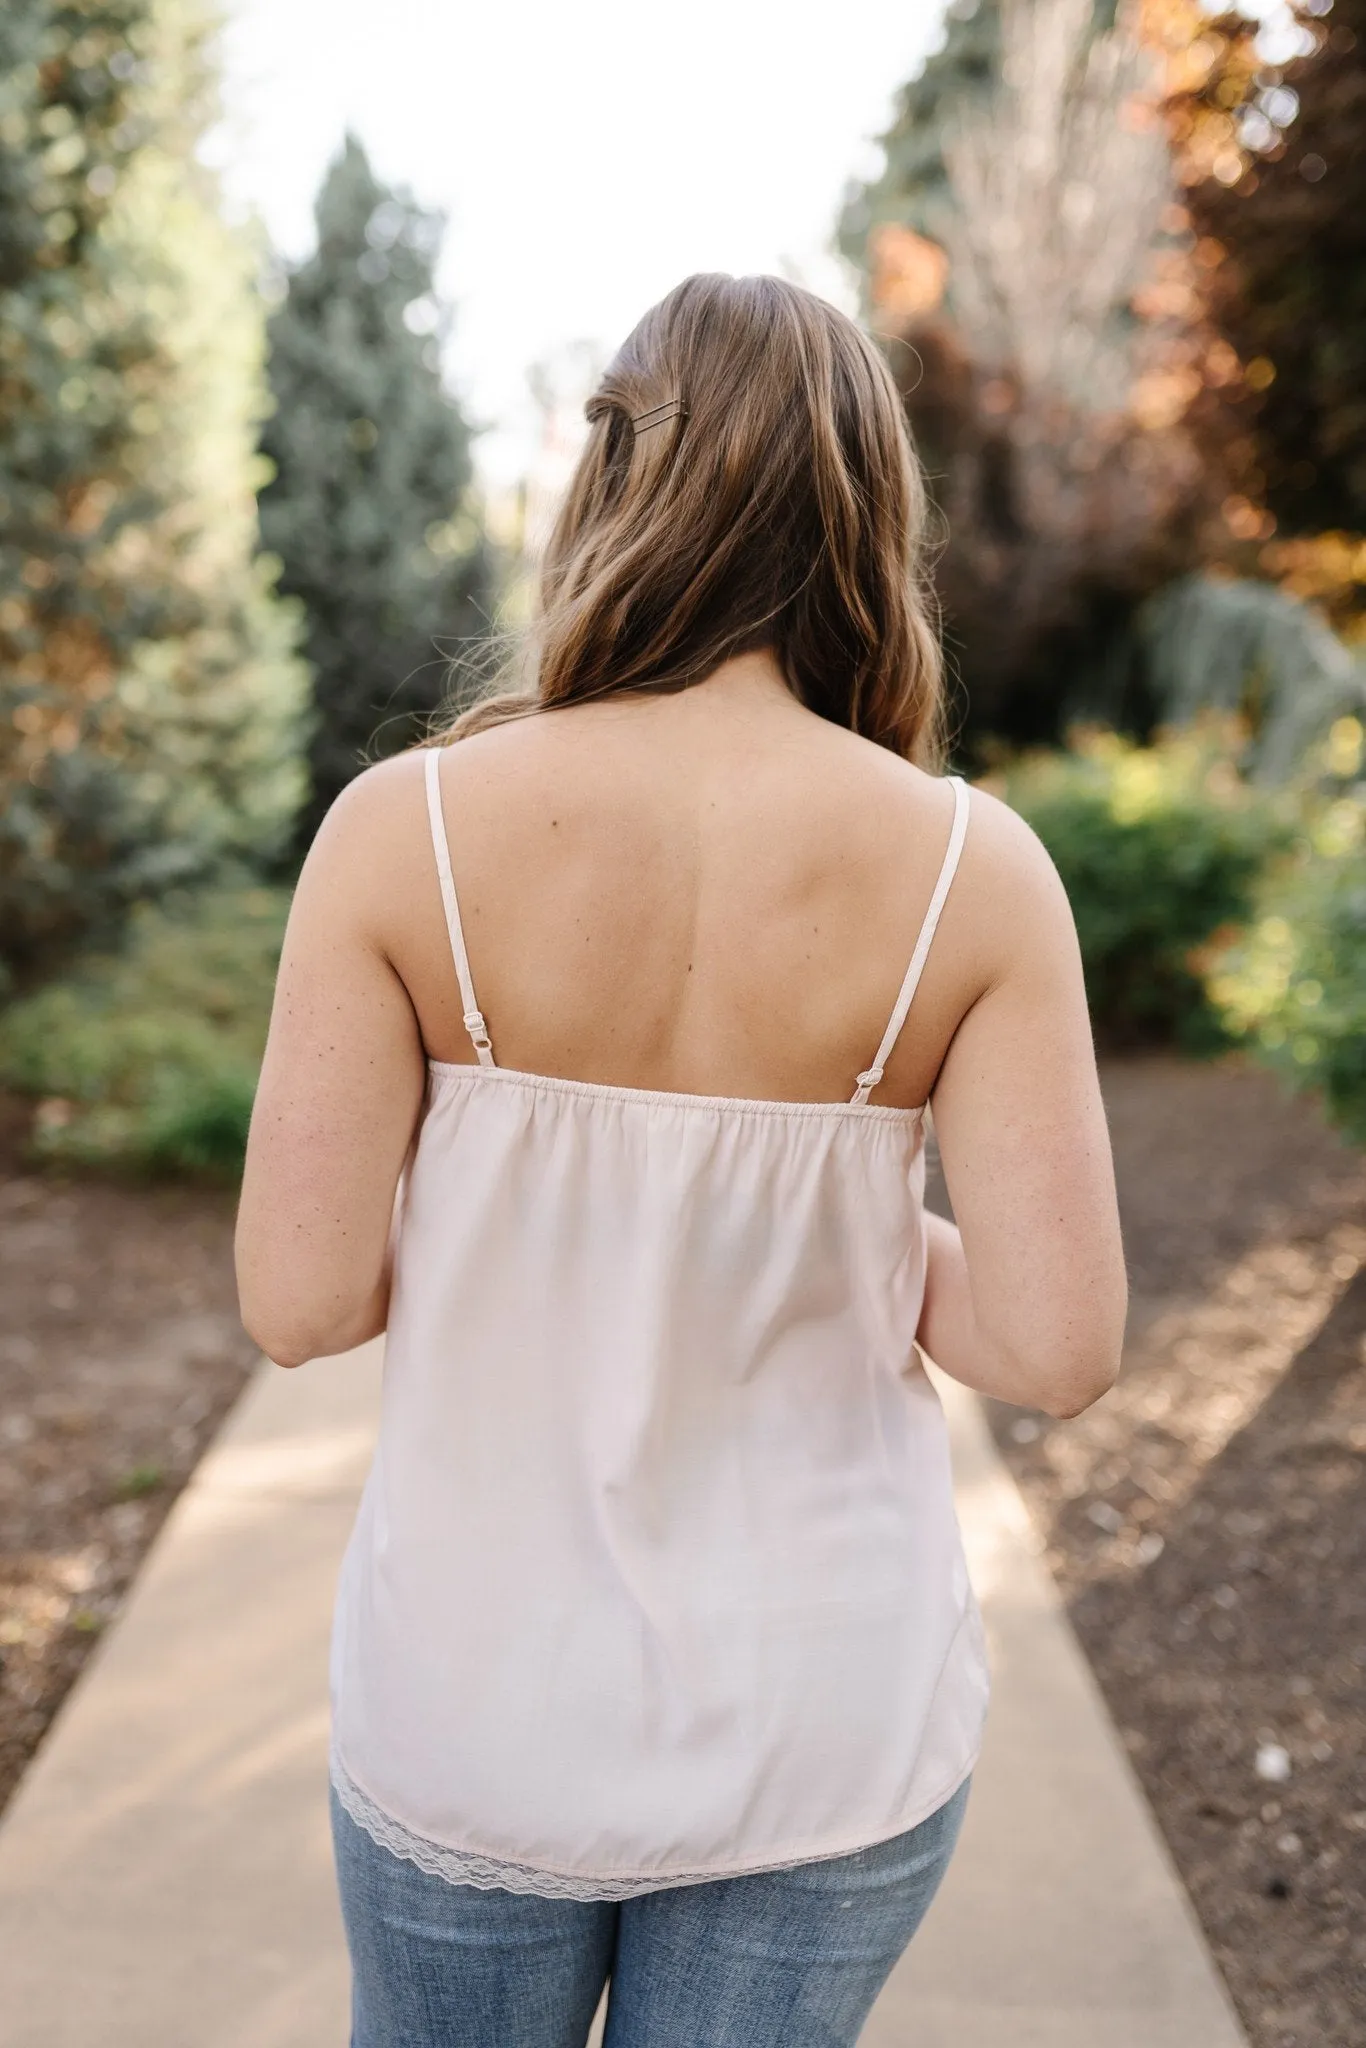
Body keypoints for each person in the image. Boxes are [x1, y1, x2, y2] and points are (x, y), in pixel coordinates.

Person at [235, 273, 1127, 2048]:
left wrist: (541, 1215)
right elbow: (1052, 1346)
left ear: (612, 488)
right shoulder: (974, 871)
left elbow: (300, 1298)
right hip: (826, 1723)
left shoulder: (400, 832)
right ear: (870, 516)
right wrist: (832, 1227)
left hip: (475, 1709)